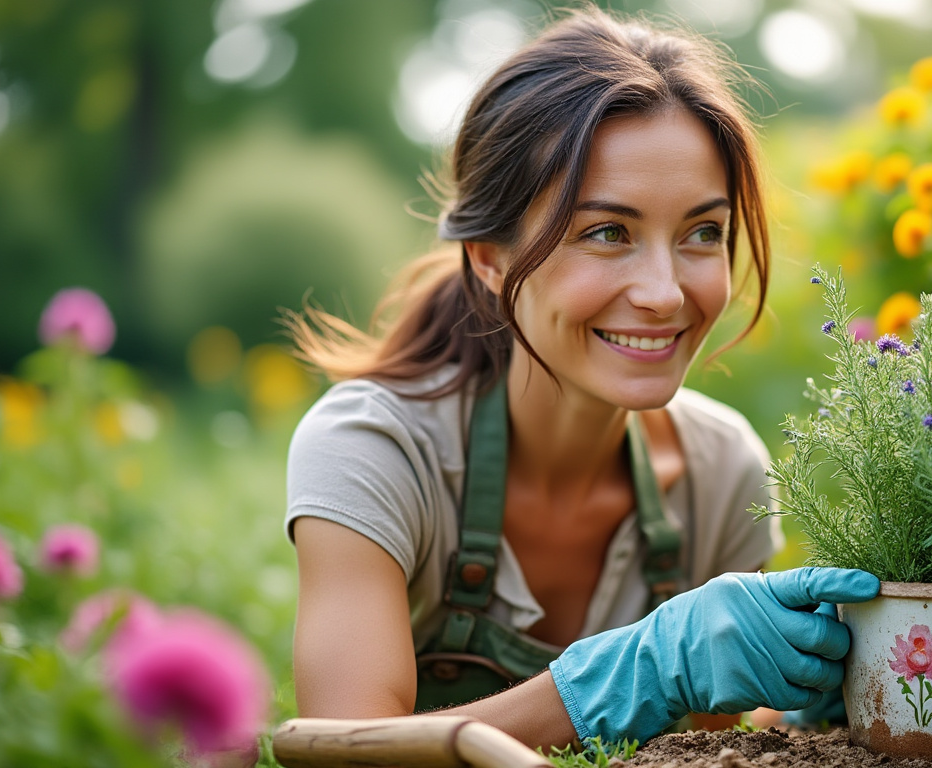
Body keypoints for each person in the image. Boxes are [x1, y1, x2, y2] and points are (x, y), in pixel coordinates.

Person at [283, 7, 879, 750]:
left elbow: (708, 750)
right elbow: (346, 754)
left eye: (703, 233)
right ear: (491, 261)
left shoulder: (720, 473)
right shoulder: (375, 449)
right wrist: (643, 670)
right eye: (607, 233)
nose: (665, 291)